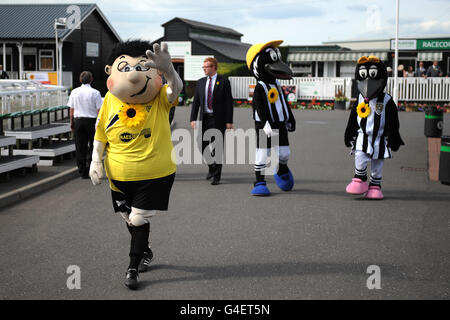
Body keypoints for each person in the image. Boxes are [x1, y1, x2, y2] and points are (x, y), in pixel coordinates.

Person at [89, 40, 182, 290]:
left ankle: (133, 266)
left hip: (155, 172)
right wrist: (95, 159)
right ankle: (145, 249)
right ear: (110, 71)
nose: (133, 75)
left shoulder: (161, 97)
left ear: (155, 73)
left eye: (142, 68)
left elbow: (175, 89)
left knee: (139, 219)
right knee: (128, 217)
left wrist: (170, 71)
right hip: (118, 175)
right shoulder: (109, 99)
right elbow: (101, 132)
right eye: (126, 68)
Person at [344, 56, 404, 200]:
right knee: (359, 156)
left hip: (380, 138)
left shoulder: (387, 101)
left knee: (377, 163)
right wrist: (349, 132)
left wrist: (393, 136)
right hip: (362, 136)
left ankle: (375, 186)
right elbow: (353, 118)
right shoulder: (359, 98)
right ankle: (360, 177)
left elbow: (393, 122)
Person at [246, 40, 296, 196]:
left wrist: (290, 118)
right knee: (263, 153)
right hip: (265, 125)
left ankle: (281, 169)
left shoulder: (277, 85)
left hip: (280, 123)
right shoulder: (260, 86)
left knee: (284, 152)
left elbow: (284, 103)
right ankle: (259, 181)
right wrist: (264, 123)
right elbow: (258, 107)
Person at [190, 57, 233, 185]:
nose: (204, 69)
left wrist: (229, 121)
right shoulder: (201, 82)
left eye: (206, 67)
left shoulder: (224, 82)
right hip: (205, 119)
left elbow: (228, 103)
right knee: (202, 145)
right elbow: (196, 102)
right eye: (203, 67)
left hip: (218, 119)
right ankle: (211, 167)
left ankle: (216, 176)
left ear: (214, 67)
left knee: (217, 147)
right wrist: (193, 118)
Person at [67, 71, 102, 178]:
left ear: (80, 80)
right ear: (91, 79)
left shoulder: (74, 92)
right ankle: (90, 167)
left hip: (78, 121)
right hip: (91, 122)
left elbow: (71, 109)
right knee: (93, 146)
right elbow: (99, 110)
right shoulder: (95, 93)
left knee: (80, 146)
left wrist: (71, 122)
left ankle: (82, 171)